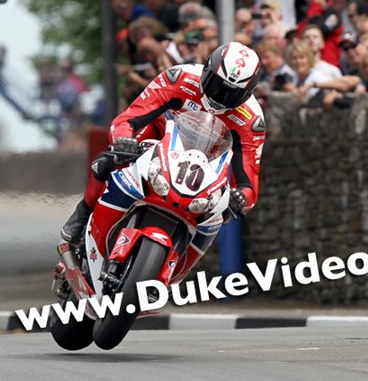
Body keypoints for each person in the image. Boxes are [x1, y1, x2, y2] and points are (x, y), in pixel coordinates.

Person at [60, 42, 265, 264]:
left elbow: (249, 181)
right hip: (157, 138)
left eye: (232, 94)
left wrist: (241, 198)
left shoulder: (251, 120)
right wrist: (122, 141)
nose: (221, 97)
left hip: (206, 165)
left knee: (219, 213)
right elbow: (129, 118)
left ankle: (176, 266)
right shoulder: (179, 78)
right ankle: (83, 213)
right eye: (217, 86)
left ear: (247, 94)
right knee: (110, 160)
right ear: (206, 70)